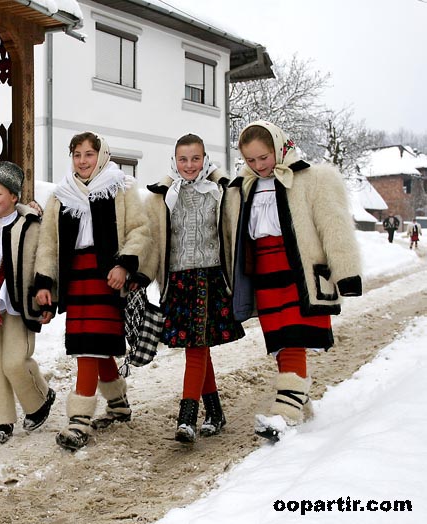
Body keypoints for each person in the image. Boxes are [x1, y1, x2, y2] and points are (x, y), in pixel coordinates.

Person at [221, 120, 362, 440]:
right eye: (251, 160)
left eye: (263, 157)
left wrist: (347, 272)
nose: (258, 166)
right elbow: (232, 235)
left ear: (278, 147)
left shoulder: (313, 179)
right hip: (265, 274)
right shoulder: (242, 186)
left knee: (294, 336)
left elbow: (334, 226)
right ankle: (299, 399)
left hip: (300, 272)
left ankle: (286, 411)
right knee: (280, 340)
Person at [34, 131, 150, 451]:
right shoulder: (61, 195)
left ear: (101, 156)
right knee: (93, 343)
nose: (83, 161)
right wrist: (45, 282)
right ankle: (119, 404)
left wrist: (124, 266)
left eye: (89, 154)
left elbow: (139, 231)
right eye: (77, 154)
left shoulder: (120, 187)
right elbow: (49, 244)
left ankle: (79, 419)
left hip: (107, 277)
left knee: (88, 346)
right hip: (77, 279)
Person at [141, 134, 244, 443]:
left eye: (195, 158)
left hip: (209, 278)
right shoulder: (161, 196)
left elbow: (232, 230)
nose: (189, 165)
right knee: (196, 347)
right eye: (183, 159)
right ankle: (215, 412)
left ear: (205, 159)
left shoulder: (221, 192)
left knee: (196, 348)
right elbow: (152, 239)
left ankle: (186, 418)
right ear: (175, 160)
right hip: (177, 280)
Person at [0, 161, 56, 444]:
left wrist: (46, 292)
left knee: (15, 361)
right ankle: (0, 420)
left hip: (17, 304)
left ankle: (40, 398)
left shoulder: (29, 224)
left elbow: (44, 257)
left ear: (14, 197)